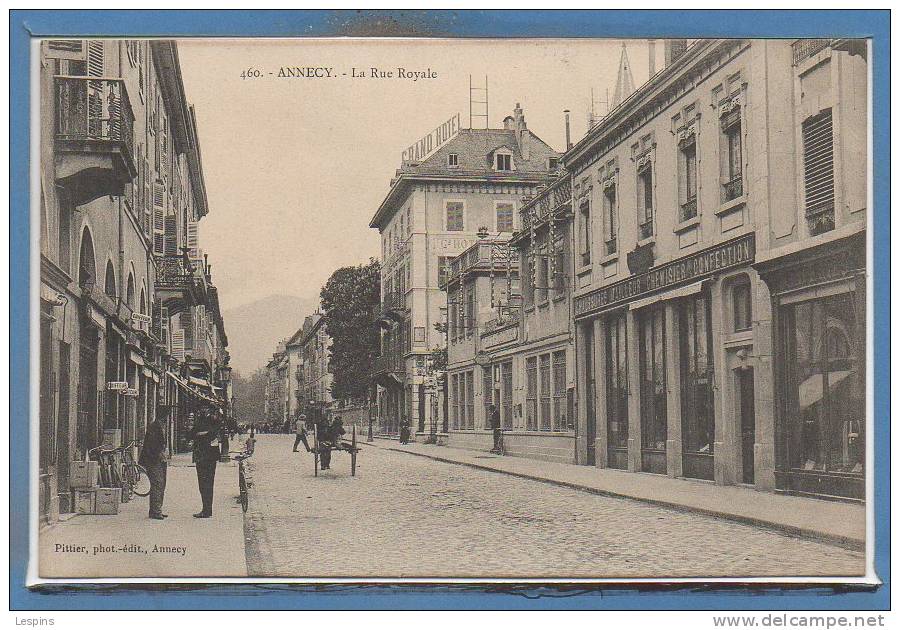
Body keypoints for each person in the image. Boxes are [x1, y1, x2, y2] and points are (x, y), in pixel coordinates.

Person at [189, 406, 221, 518]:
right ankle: (207, 509)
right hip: (207, 456)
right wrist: (203, 434)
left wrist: (200, 434)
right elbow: (191, 434)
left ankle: (206, 510)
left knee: (205, 484)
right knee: (206, 484)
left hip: (204, 456)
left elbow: (211, 433)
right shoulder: (207, 421)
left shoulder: (207, 421)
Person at [140, 404, 169, 520]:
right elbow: (151, 446)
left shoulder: (159, 426)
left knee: (161, 484)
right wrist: (159, 454)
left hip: (160, 459)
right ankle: (156, 511)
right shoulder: (154, 427)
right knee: (157, 483)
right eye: (166, 415)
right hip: (153, 460)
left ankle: (157, 509)